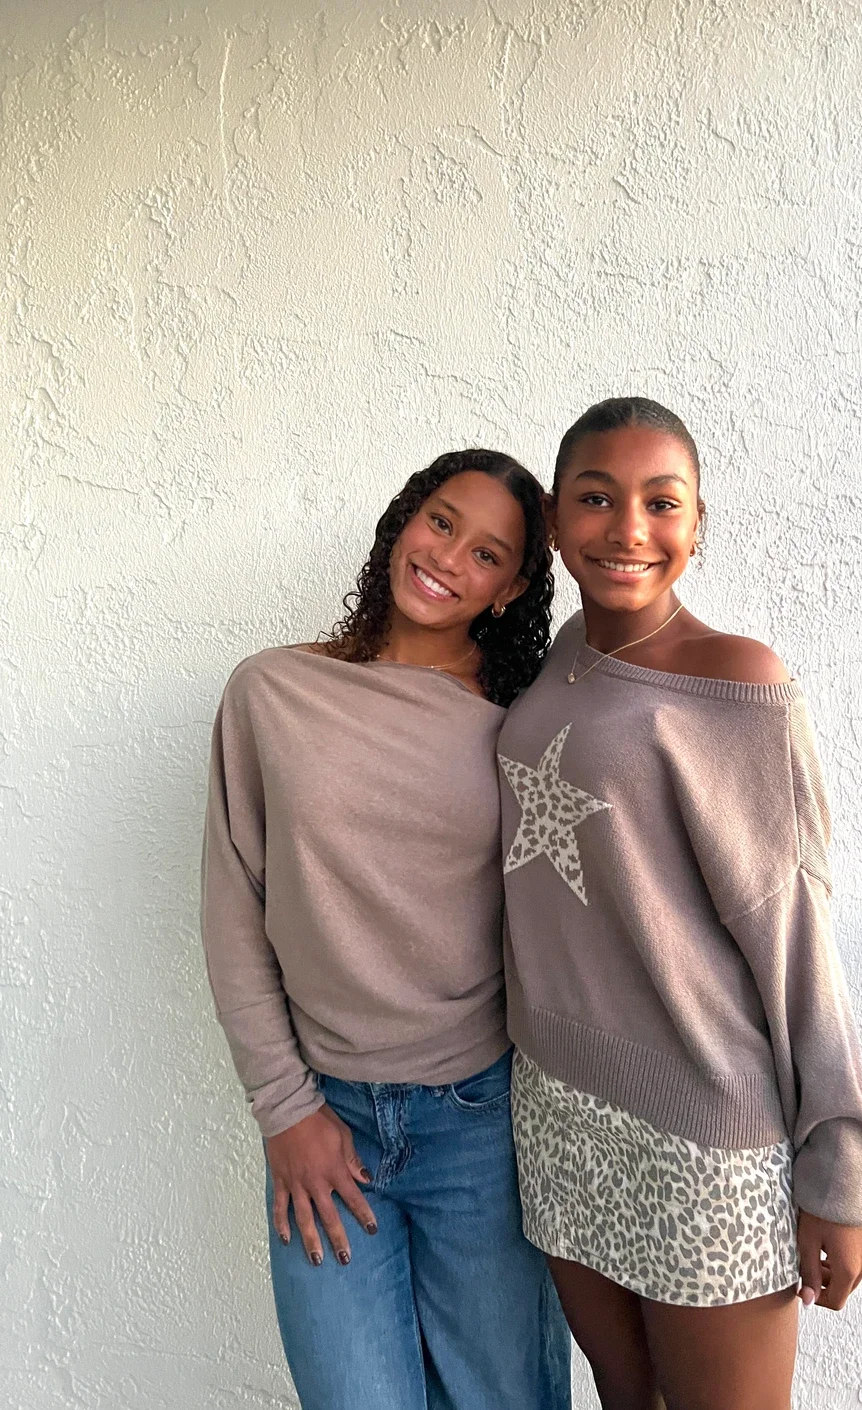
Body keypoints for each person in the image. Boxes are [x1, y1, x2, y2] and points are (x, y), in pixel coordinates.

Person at [498, 399, 862, 1410]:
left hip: (703, 1129)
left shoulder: (736, 679)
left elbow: (792, 930)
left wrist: (842, 1168)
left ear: (696, 522)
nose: (628, 528)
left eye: (660, 502)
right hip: (558, 1109)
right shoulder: (563, 654)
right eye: (596, 498)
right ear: (555, 521)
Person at [201, 449, 571, 1410]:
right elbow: (234, 909)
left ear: (510, 589)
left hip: (482, 1126)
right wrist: (285, 1112)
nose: (448, 557)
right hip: (324, 1119)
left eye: (487, 553)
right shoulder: (270, 692)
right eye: (441, 522)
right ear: (404, 519)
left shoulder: (521, 725)